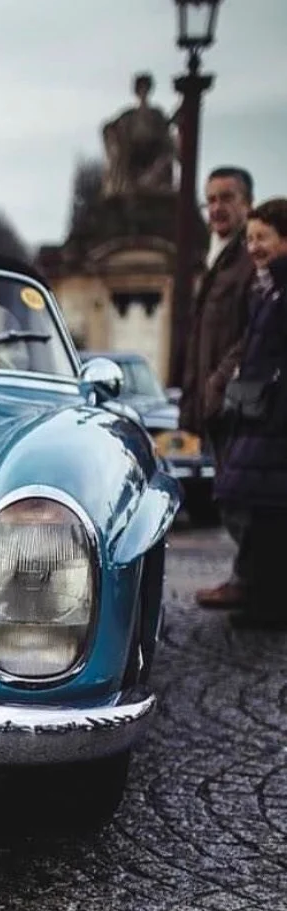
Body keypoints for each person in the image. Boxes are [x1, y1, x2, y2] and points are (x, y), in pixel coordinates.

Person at [181, 167, 257, 609]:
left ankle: (252, 584)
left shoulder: (249, 259)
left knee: (240, 496)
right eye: (210, 199)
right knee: (230, 492)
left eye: (226, 197)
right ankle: (249, 581)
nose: (216, 208)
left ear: (247, 203)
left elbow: (252, 335)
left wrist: (217, 384)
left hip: (239, 403)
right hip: (217, 403)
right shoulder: (218, 257)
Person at [211, 198, 287, 630]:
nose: (254, 246)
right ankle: (259, 595)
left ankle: (267, 602)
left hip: (274, 419)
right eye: (250, 238)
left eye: (263, 237)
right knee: (260, 509)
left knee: (268, 512)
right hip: (261, 415)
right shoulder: (268, 289)